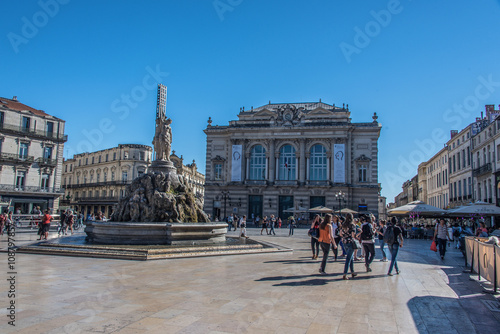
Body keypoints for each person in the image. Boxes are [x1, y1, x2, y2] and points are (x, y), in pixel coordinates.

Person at [340, 213, 358, 280]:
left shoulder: (343, 225)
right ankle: (345, 274)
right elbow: (353, 235)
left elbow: (340, 234)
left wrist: (345, 236)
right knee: (348, 259)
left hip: (344, 242)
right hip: (350, 242)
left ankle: (352, 272)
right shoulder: (352, 225)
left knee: (351, 257)